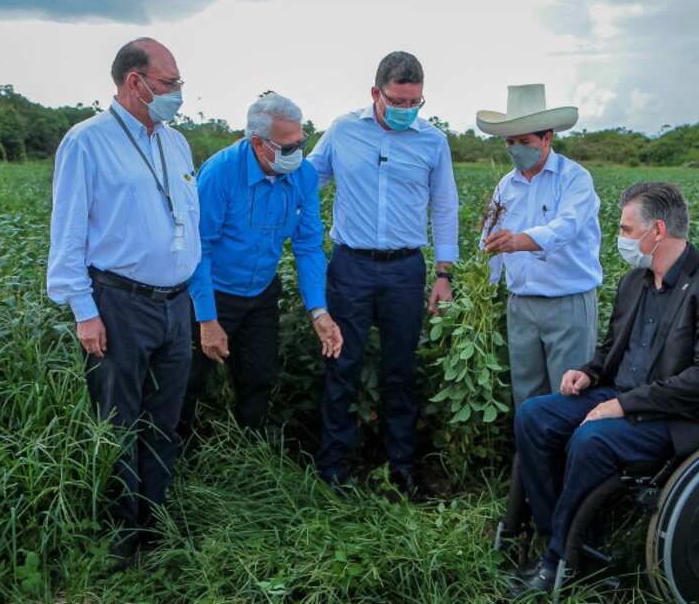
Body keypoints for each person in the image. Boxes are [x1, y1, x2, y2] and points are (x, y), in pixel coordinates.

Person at [512, 182, 699, 597]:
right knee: (535, 414)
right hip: (621, 395)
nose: (620, 237)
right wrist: (587, 373)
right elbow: (611, 351)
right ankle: (561, 536)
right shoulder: (634, 282)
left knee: (592, 438)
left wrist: (623, 405)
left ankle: (557, 562)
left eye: (625, 228)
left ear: (656, 231)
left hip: (674, 415)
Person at [46, 37, 200, 567]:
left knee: (164, 419)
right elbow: (66, 234)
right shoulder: (87, 142)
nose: (177, 93)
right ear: (135, 83)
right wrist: (84, 312)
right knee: (118, 420)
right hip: (119, 303)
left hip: (175, 305)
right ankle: (120, 538)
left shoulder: (175, 144)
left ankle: (154, 521)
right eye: (170, 84)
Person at [307, 51, 459, 495]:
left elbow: (445, 207)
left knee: (400, 370)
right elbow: (308, 180)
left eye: (415, 101)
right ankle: (333, 467)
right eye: (397, 100)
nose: (405, 109)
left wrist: (444, 273)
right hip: (350, 264)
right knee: (342, 365)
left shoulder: (433, 141)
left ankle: (403, 468)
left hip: (404, 269)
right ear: (376, 93)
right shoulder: (342, 130)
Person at [180, 93, 343, 435]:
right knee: (190, 380)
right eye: (287, 147)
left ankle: (250, 451)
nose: (296, 153)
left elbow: (309, 245)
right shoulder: (220, 173)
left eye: (301, 142)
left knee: (259, 377)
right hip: (214, 291)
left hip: (261, 292)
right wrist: (207, 319)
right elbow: (199, 249)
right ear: (257, 143)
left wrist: (319, 311)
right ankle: (182, 461)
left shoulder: (304, 176)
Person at [477, 84, 602, 407]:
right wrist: (484, 286)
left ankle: (568, 458)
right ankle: (531, 457)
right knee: (527, 394)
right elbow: (491, 240)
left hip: (568, 302)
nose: (517, 149)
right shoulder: (506, 185)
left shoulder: (574, 179)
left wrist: (519, 241)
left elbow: (566, 227)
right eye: (511, 142)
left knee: (569, 394)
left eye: (525, 142)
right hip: (521, 305)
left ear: (547, 138)